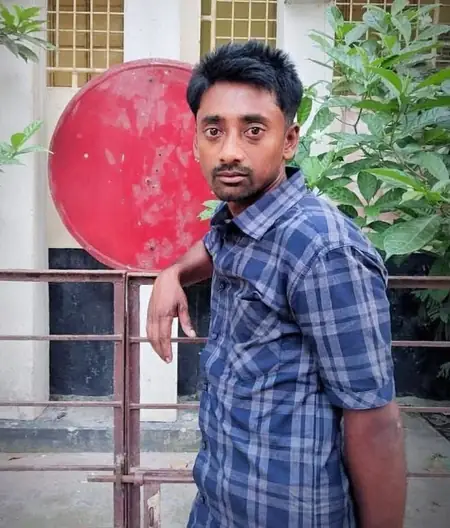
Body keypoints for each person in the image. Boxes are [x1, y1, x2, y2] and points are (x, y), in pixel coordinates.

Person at [146, 40, 406, 528]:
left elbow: (375, 423)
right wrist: (173, 272)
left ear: (288, 141)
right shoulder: (239, 220)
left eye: (254, 131)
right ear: (196, 140)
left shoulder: (322, 250)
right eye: (214, 130)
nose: (229, 151)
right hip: (219, 504)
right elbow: (216, 245)